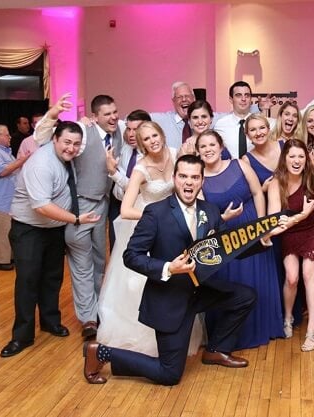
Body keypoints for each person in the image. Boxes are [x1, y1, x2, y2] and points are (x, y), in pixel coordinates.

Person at [83, 154, 257, 385]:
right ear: (175, 178)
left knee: (245, 297)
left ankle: (216, 349)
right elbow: (131, 256)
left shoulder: (211, 210)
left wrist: (265, 238)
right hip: (169, 298)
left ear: (202, 181)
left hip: (199, 290)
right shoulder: (156, 212)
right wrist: (168, 267)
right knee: (169, 374)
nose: (189, 182)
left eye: (195, 177)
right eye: (183, 176)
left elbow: (228, 247)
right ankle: (102, 352)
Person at [99, 121, 206, 357]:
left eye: (155, 135)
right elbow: (126, 209)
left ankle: (176, 332)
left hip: (178, 227)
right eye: (146, 139)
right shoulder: (141, 168)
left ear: (162, 133)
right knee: (140, 284)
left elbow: (194, 181)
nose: (152, 141)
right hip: (151, 227)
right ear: (141, 143)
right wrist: (156, 218)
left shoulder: (178, 154)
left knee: (177, 280)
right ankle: (145, 341)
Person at [0, 122, 100, 357]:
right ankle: (21, 336)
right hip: (29, 229)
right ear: (54, 139)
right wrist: (76, 218)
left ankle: (50, 321)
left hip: (54, 229)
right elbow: (42, 206)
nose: (72, 148)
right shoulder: (41, 164)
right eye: (67, 142)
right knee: (27, 281)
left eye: (76, 144)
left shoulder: (64, 158)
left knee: (52, 277)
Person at [34, 93, 124, 339]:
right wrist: (54, 114)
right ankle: (88, 319)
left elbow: (140, 125)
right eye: (107, 114)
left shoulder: (119, 131)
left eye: (115, 111)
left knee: (99, 261)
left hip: (103, 204)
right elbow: (41, 138)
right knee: (81, 262)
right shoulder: (84, 133)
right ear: (95, 117)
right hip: (79, 205)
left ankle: (99, 311)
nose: (114, 117)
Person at [197, 130, 284, 349]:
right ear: (198, 152)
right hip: (225, 238)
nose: (208, 149)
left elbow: (257, 193)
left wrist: (262, 227)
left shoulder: (239, 164)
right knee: (234, 283)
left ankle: (263, 328)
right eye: (203, 147)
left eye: (211, 145)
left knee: (257, 279)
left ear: (220, 146)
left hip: (250, 227)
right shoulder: (199, 179)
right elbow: (202, 216)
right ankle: (232, 337)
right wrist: (222, 218)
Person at [267, 139, 314, 351]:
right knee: (292, 278)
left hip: (313, 230)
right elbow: (275, 223)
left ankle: (312, 328)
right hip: (289, 231)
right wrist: (300, 216)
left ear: (307, 159)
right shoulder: (277, 184)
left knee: (308, 273)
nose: (296, 161)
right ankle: (288, 317)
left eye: (301, 156)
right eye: (292, 156)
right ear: (284, 159)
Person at [106, 109, 151, 250]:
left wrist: (114, 172)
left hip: (137, 210)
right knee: (116, 248)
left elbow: (134, 188)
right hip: (117, 206)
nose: (131, 134)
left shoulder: (150, 157)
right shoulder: (125, 149)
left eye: (136, 129)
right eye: (129, 129)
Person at [0, 124, 30, 271]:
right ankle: (0, 259)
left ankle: (9, 257)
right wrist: (21, 161)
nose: (10, 137)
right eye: (6, 134)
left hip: (9, 199)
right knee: (1, 231)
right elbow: (2, 171)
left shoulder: (5, 151)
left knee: (9, 230)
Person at [241, 114, 283, 193]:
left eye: (262, 128)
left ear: (268, 129)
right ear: (247, 135)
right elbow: (248, 193)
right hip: (267, 203)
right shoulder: (246, 160)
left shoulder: (284, 146)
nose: (258, 133)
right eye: (253, 130)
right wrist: (263, 189)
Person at [150, 81, 196, 150]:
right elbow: (133, 118)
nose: (184, 99)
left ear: (194, 98)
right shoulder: (162, 119)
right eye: (179, 97)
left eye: (187, 96)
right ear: (173, 101)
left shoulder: (204, 118)